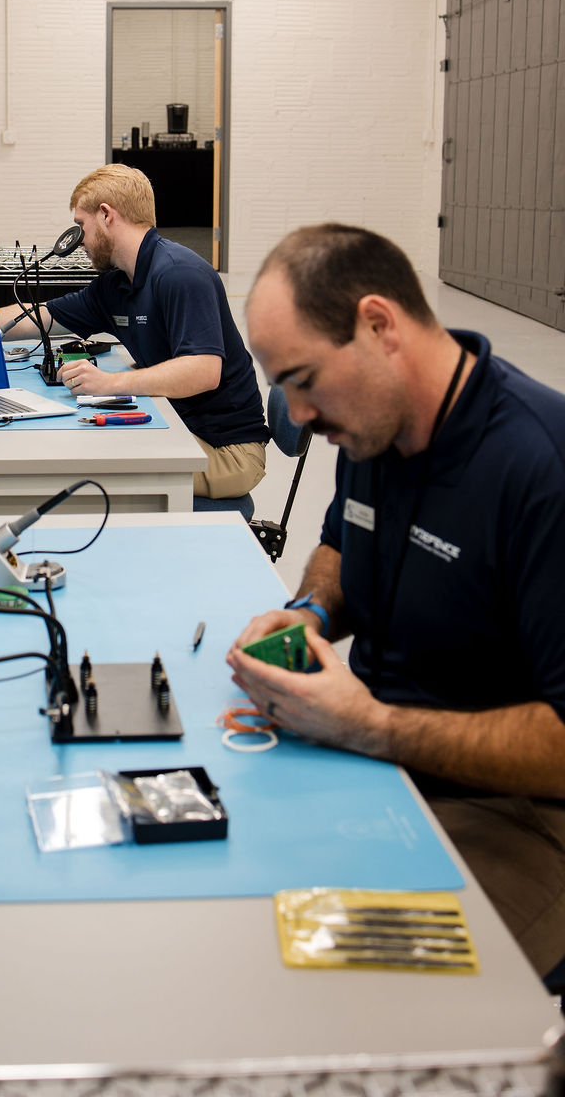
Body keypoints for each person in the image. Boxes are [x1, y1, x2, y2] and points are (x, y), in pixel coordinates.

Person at [225, 222, 565, 977]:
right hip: (382, 759)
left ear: (380, 325)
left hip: (521, 814)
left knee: (345, 980)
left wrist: (374, 726)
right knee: (220, 884)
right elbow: (344, 546)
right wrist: (309, 612)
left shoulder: (539, 466)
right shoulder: (372, 430)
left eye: (303, 381)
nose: (300, 417)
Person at [0, 165, 268, 500]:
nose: (79, 240)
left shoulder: (178, 274)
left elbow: (204, 370)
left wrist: (109, 383)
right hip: (179, 425)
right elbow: (43, 315)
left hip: (226, 451)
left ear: (107, 215)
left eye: (81, 224)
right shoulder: (119, 282)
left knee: (86, 476)